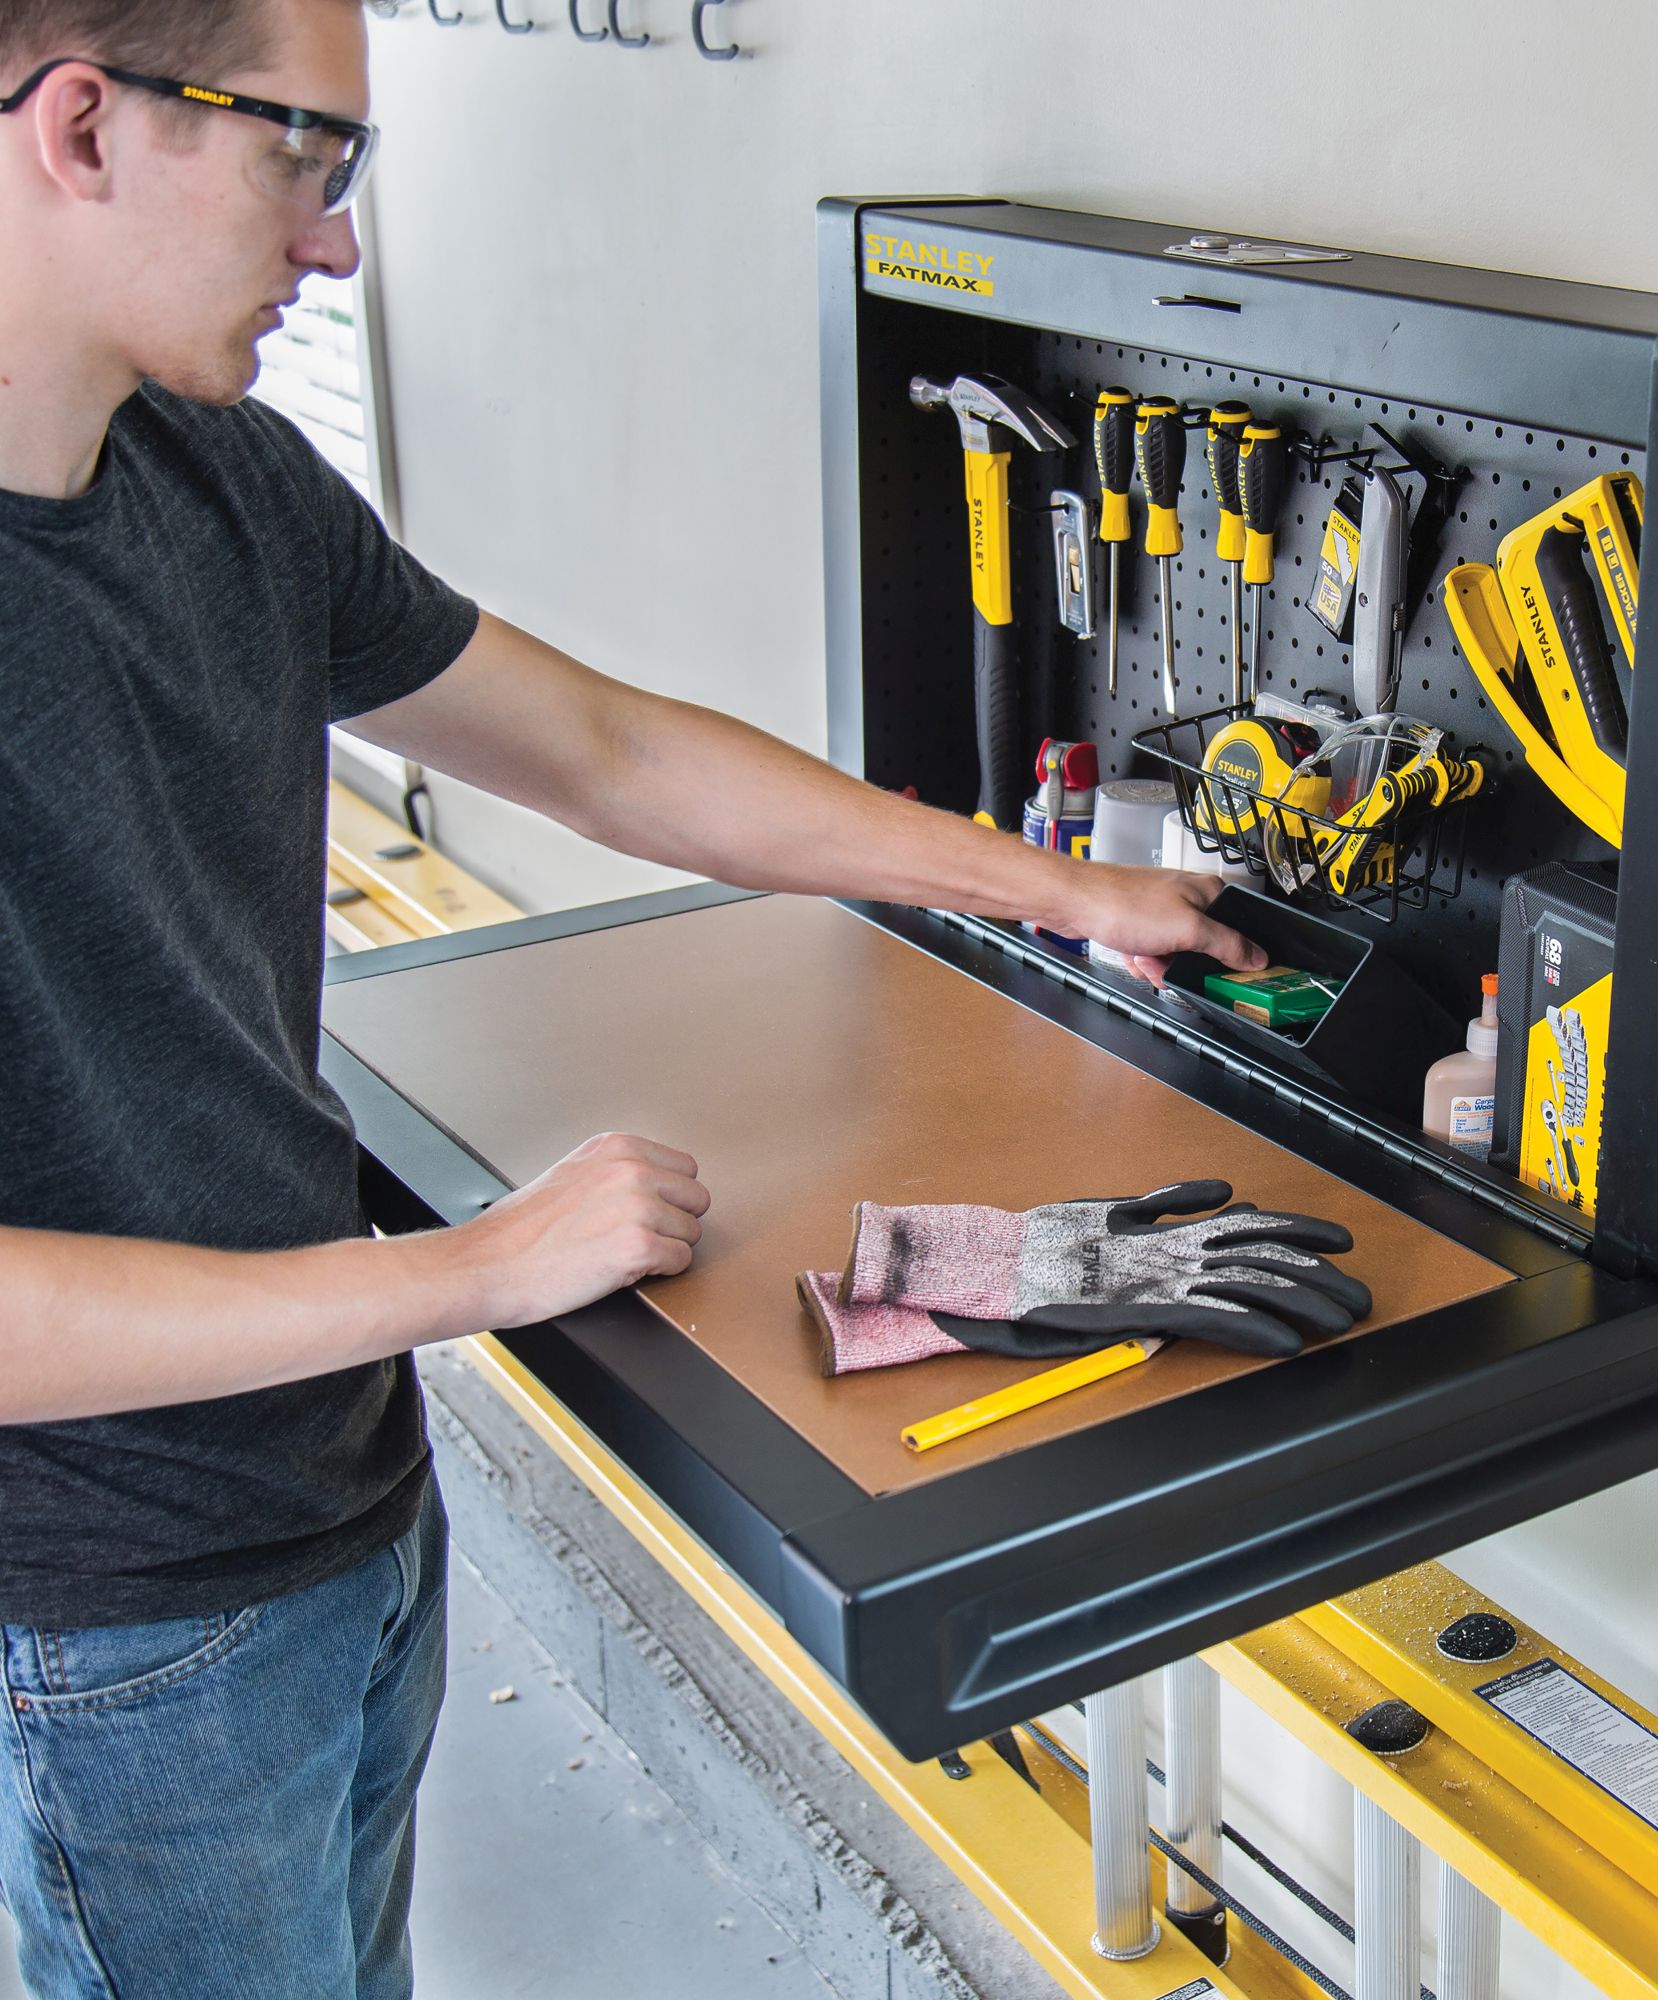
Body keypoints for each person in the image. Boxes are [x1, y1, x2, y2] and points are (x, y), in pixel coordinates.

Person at [0, 1, 1263, 1992]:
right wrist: (467, 1273)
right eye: (302, 158)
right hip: (116, 1614)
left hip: (331, 1485)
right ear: (85, 124)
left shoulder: (222, 481)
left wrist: (1053, 887)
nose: (335, 244)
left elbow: (600, 746)